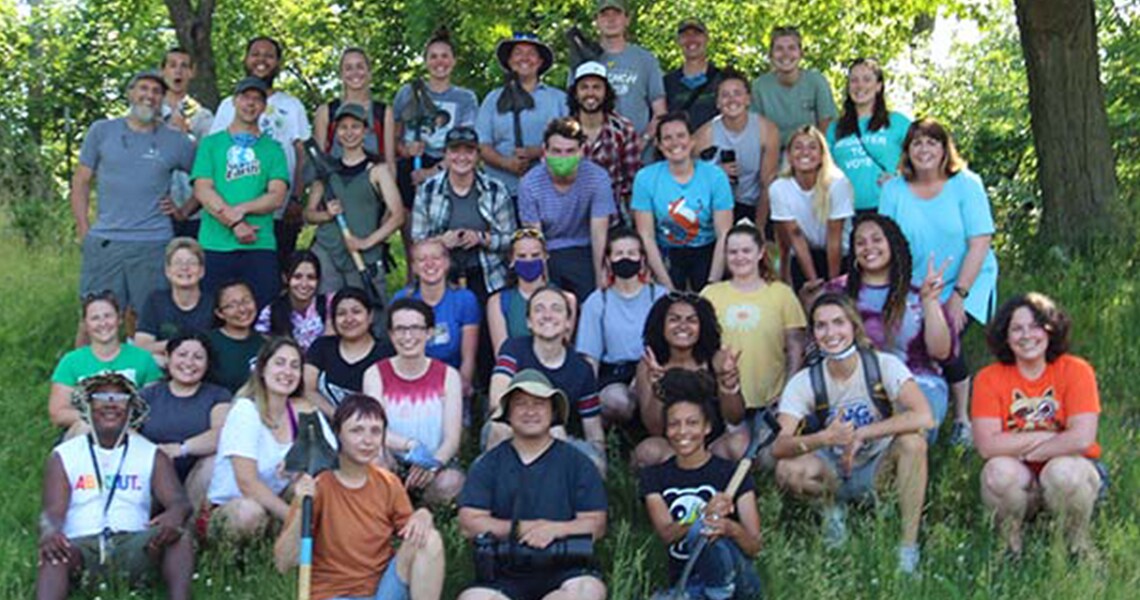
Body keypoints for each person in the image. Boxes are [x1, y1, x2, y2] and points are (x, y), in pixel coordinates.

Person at [771, 294, 933, 573]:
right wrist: (824, 438)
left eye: (838, 323)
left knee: (914, 443)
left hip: (876, 468)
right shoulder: (806, 381)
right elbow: (779, 446)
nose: (831, 333)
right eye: (821, 326)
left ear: (854, 326)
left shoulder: (883, 365)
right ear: (814, 334)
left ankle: (908, 549)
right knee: (787, 469)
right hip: (832, 470)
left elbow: (924, 416)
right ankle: (832, 512)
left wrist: (862, 434)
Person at [879, 117, 999, 447]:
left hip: (967, 279)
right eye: (917, 142)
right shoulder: (893, 189)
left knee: (944, 335)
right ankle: (914, 409)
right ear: (907, 151)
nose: (924, 148)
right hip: (915, 284)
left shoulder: (966, 184)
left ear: (945, 150)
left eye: (932, 142)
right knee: (908, 337)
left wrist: (959, 295)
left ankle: (962, 418)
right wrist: (896, 293)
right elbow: (887, 242)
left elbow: (980, 241)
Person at [36, 372, 193, 600]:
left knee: (179, 536)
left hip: (133, 543)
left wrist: (174, 515)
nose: (111, 404)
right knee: (54, 553)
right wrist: (50, 531)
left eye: (120, 399)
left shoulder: (151, 453)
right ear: (88, 406)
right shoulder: (65, 454)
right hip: (81, 545)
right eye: (101, 396)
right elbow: (52, 511)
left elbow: (179, 502)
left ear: (131, 410)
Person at [274, 394, 446, 600]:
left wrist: (423, 514)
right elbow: (283, 563)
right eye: (356, 430)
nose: (367, 440)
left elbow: (412, 532)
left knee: (430, 539)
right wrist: (302, 507)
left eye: (375, 431)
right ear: (338, 434)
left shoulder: (388, 483)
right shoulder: (318, 486)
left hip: (383, 592)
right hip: (335, 595)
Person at [971, 293, 1105, 557]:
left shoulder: (1076, 370)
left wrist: (1029, 451)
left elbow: (1082, 438)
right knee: (997, 472)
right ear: (1006, 337)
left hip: (1069, 469)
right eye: (1016, 329)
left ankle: (1078, 547)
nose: (1026, 335)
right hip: (1018, 475)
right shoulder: (989, 378)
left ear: (1050, 330)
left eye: (1035, 326)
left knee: (1063, 472)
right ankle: (1010, 549)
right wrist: (1050, 436)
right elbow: (987, 446)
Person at [457, 369, 608, 600]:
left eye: (539, 404)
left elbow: (596, 524)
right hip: (502, 573)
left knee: (587, 591)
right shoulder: (488, 464)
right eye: (521, 404)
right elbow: (469, 523)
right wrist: (522, 529)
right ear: (507, 412)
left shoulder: (578, 463)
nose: (530, 411)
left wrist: (554, 529)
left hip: (567, 569)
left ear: (553, 411)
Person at [70, 69, 195, 327]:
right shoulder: (102, 131)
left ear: (163, 98)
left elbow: (206, 181)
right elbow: (81, 181)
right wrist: (84, 228)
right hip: (107, 240)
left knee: (145, 320)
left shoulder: (176, 141)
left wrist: (183, 210)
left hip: (154, 242)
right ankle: (79, 369)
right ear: (131, 93)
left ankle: (138, 368)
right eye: (143, 89)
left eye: (157, 92)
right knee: (93, 318)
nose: (149, 96)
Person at [824, 214, 955, 441]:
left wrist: (930, 303)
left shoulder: (917, 291)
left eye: (877, 240)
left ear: (893, 245)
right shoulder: (837, 292)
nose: (869, 247)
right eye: (860, 242)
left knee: (908, 435)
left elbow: (941, 352)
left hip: (918, 382)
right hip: (855, 385)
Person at [639, 369, 762, 599]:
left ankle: (718, 592)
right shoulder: (653, 477)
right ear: (666, 430)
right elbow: (667, 533)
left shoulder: (733, 473)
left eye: (692, 423)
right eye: (674, 424)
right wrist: (703, 514)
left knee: (704, 535)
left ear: (707, 428)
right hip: (688, 581)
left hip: (737, 582)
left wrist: (729, 528)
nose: (683, 431)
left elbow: (754, 546)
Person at [204, 337, 334, 540]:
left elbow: (329, 459)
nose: (287, 372)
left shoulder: (304, 409)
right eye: (279, 363)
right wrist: (295, 519)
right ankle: (233, 564)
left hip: (276, 505)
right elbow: (247, 482)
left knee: (313, 484)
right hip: (235, 507)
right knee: (250, 512)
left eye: (295, 366)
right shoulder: (245, 410)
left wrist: (299, 461)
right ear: (262, 369)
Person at [209, 36, 312, 266]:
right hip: (232, 209)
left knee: (275, 272)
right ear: (245, 59)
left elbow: (301, 154)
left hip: (280, 208)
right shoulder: (228, 105)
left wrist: (296, 198)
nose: (261, 60)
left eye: (269, 55)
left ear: (278, 63)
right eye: (255, 54)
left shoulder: (292, 105)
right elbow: (214, 155)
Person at [192, 76, 289, 308]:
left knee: (263, 312)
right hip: (215, 244)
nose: (251, 104)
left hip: (259, 243)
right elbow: (202, 189)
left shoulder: (273, 149)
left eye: (257, 99)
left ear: (264, 106)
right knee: (213, 313)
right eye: (245, 97)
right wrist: (235, 223)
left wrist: (241, 210)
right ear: (234, 102)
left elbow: (277, 196)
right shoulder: (211, 144)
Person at [486, 288, 605, 471]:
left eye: (556, 309)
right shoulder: (513, 349)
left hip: (561, 441)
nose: (547, 315)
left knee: (593, 463)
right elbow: (497, 401)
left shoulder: (581, 369)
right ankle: (494, 491)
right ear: (529, 322)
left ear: (568, 322)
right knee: (498, 428)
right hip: (513, 428)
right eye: (539, 309)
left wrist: (598, 462)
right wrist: (545, 429)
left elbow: (594, 432)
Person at [363, 298, 466, 505]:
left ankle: (420, 507)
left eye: (416, 328)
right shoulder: (375, 374)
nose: (408, 336)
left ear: (429, 333)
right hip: (392, 459)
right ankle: (390, 505)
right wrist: (410, 446)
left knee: (452, 482)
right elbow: (375, 429)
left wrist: (433, 463)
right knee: (375, 462)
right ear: (391, 335)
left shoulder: (449, 376)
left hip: (436, 462)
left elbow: (452, 438)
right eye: (400, 329)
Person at [305, 102, 405, 304]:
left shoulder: (378, 171)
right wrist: (326, 215)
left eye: (355, 126)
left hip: (363, 255)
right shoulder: (326, 170)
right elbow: (307, 214)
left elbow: (398, 216)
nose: (349, 132)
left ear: (365, 131)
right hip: (327, 251)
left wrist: (367, 242)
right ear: (336, 132)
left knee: (368, 312)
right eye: (343, 127)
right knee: (328, 311)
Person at [702, 223, 807, 411]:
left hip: (772, 400)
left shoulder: (782, 293)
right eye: (733, 252)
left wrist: (788, 392)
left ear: (760, 253)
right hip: (724, 399)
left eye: (746, 251)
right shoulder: (710, 294)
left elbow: (795, 347)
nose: (739, 257)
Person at [633, 294, 746, 468]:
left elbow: (735, 417)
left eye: (691, 320)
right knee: (648, 452)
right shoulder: (649, 364)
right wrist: (657, 385)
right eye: (674, 319)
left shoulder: (717, 359)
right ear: (661, 325)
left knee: (739, 444)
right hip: (671, 447)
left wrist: (729, 386)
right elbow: (654, 428)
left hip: (712, 446)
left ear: (703, 327)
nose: (683, 326)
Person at [411, 126, 516, 303]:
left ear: (477, 155)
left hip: (488, 275)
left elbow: (511, 238)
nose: (461, 157)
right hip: (441, 275)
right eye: (454, 151)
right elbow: (417, 240)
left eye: (469, 151)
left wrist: (481, 238)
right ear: (445, 154)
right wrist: (442, 242)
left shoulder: (496, 190)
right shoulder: (427, 190)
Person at [575, 227, 667, 425]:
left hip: (654, 369)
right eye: (619, 254)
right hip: (615, 373)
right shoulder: (598, 301)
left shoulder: (659, 297)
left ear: (642, 259)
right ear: (608, 260)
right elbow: (591, 357)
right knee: (617, 401)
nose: (626, 258)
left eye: (632, 253)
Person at [632, 111, 733, 291]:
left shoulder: (715, 176)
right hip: (666, 250)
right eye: (668, 138)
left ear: (692, 140)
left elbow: (723, 233)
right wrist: (667, 288)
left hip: (707, 248)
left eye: (681, 136)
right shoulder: (645, 178)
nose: (675, 143)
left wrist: (712, 286)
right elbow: (646, 236)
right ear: (660, 145)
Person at [517, 117, 614, 299]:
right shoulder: (529, 184)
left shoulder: (598, 178)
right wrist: (543, 286)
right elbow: (535, 237)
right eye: (557, 151)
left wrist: (600, 282)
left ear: (582, 151)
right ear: (544, 152)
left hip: (583, 249)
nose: (563, 157)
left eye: (570, 151)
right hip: (549, 250)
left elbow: (599, 235)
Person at [49, 292, 163, 438]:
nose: (103, 323)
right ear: (85, 324)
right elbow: (58, 413)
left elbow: (154, 407)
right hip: (85, 431)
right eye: (95, 318)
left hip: (131, 429)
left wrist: (121, 419)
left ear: (119, 319)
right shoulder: (71, 361)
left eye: (108, 316)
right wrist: (99, 418)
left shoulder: (142, 358)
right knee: (85, 427)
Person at [140, 332, 232, 508]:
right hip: (151, 471)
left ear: (207, 364)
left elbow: (221, 434)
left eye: (198, 357)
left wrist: (181, 449)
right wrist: (155, 453)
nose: (189, 363)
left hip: (195, 475)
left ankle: (189, 529)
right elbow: (126, 430)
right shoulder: (149, 394)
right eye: (182, 355)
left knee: (213, 462)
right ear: (167, 358)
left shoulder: (218, 395)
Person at [395, 28, 480, 215]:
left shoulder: (466, 98)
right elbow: (394, 138)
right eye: (433, 57)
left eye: (444, 56)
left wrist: (433, 171)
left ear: (453, 61)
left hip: (449, 167)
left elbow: (467, 144)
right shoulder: (408, 92)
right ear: (425, 61)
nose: (439, 62)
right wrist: (405, 149)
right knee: (413, 234)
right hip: (411, 168)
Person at [477, 33, 568, 197]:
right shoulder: (492, 99)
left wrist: (539, 151)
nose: (524, 58)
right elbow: (482, 144)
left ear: (540, 62)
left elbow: (573, 142)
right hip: (500, 192)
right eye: (518, 53)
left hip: (549, 191)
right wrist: (505, 163)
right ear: (510, 61)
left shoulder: (559, 99)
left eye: (531, 53)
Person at [770, 125, 855, 291]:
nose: (805, 152)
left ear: (822, 155)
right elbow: (795, 236)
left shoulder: (837, 184)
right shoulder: (778, 188)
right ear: (788, 155)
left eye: (812, 147)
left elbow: (834, 238)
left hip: (839, 254)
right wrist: (814, 282)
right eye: (798, 147)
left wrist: (833, 284)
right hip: (805, 254)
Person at [693, 70, 781, 228]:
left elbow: (767, 183)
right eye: (725, 95)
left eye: (737, 93)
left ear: (748, 99)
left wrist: (759, 228)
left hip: (755, 205)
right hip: (717, 207)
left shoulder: (767, 130)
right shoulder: (704, 134)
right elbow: (685, 174)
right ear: (718, 103)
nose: (731, 100)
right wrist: (713, 172)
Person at [394, 239, 481, 398]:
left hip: (452, 380)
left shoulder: (464, 299)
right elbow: (397, 351)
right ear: (413, 267)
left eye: (436, 258)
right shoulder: (401, 301)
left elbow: (468, 357)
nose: (429, 264)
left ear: (447, 262)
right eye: (422, 259)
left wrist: (460, 387)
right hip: (412, 380)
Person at [826, 58, 911, 214]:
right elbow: (825, 168)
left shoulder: (897, 122)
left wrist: (902, 176)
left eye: (867, 79)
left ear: (878, 86)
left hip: (888, 208)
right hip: (845, 211)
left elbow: (926, 154)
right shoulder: (835, 128)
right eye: (854, 80)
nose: (860, 86)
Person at [589, 0, 666, 157]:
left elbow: (660, 112)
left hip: (639, 156)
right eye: (605, 15)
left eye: (616, 14)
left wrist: (642, 141)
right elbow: (572, 111)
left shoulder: (645, 59)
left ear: (627, 19)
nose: (611, 20)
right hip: (595, 155)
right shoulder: (584, 59)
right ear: (596, 21)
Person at [486, 229, 579, 355]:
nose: (529, 260)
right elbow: (501, 354)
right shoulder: (497, 302)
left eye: (535, 255)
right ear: (512, 260)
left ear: (545, 257)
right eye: (522, 256)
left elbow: (561, 349)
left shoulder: (567, 300)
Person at [568, 61, 641, 219]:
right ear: (575, 93)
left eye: (596, 87)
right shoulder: (562, 132)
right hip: (572, 220)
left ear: (606, 92)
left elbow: (633, 182)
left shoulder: (623, 129)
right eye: (584, 87)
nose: (590, 93)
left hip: (613, 218)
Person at [304, 287, 394, 413]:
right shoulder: (321, 347)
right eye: (341, 313)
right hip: (327, 426)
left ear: (370, 316)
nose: (349, 319)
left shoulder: (388, 353)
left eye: (356, 312)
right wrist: (337, 418)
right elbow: (307, 389)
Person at [749, 26, 839, 147]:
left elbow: (827, 125)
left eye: (792, 48)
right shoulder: (759, 87)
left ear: (801, 53)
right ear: (770, 54)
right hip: (775, 153)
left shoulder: (817, 82)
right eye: (779, 49)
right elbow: (756, 132)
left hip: (812, 152)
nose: (786, 54)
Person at [133, 237, 215, 365]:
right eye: (178, 263)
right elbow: (141, 347)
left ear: (202, 271)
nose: (184, 268)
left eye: (191, 263)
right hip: (164, 366)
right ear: (168, 271)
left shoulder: (212, 303)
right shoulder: (155, 300)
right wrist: (176, 348)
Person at [160, 48, 215, 239]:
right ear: (162, 71)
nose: (178, 71)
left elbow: (210, 163)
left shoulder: (203, 116)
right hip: (157, 213)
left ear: (192, 72)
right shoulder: (149, 115)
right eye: (172, 65)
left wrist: (187, 134)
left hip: (195, 213)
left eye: (184, 66)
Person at [312, 47, 396, 165]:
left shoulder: (383, 112)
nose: (355, 73)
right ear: (341, 74)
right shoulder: (326, 111)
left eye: (360, 67)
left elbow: (390, 162)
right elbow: (317, 162)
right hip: (335, 180)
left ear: (369, 72)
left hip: (374, 180)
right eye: (348, 68)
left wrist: (389, 183)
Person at [255, 250, 329, 352]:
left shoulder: (329, 306)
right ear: (285, 278)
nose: (304, 284)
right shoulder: (270, 312)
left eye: (311, 277)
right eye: (297, 277)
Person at [205, 280, 265, 393]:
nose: (242, 309)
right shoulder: (207, 342)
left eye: (246, 301)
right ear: (219, 313)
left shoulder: (266, 344)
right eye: (232, 305)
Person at [663, 18, 723, 130]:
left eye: (697, 34)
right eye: (685, 35)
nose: (691, 39)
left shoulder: (723, 79)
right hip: (679, 146)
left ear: (707, 38)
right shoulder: (667, 83)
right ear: (678, 41)